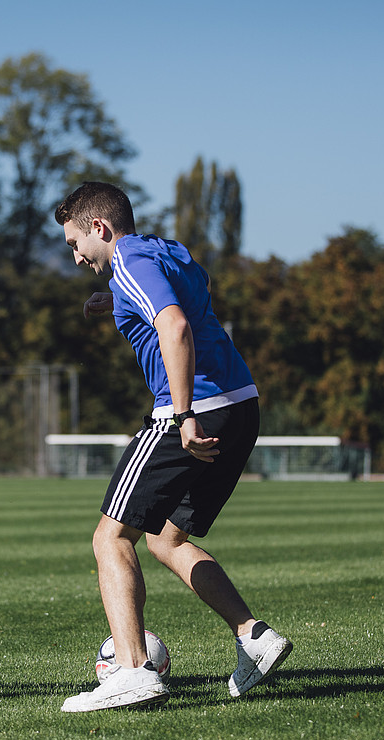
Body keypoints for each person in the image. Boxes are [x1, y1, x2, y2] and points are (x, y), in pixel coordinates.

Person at [54, 182, 292, 712]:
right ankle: (253, 636)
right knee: (166, 538)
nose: (76, 256)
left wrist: (183, 414)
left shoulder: (129, 260)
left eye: (76, 243)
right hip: (240, 404)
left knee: (110, 538)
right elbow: (185, 297)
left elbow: (175, 324)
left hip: (193, 410)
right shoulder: (164, 252)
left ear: (100, 228)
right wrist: (112, 301)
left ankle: (134, 671)